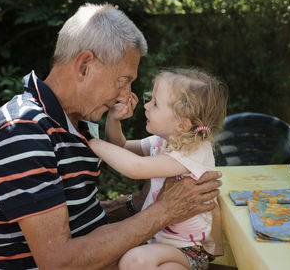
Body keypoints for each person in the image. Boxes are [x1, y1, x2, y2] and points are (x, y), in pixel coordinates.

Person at [0, 3, 222, 270]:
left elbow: (76, 216)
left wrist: (136, 203)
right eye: (123, 80)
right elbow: (59, 262)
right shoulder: (21, 132)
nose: (125, 96)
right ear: (85, 66)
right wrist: (162, 212)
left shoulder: (74, 124)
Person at [88, 68, 228, 270]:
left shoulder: (195, 153)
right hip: (157, 245)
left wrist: (93, 143)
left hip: (188, 251)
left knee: (134, 261)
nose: (145, 106)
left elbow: (135, 167)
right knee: (127, 257)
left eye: (155, 103)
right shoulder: (163, 141)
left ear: (182, 124)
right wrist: (113, 119)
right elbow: (121, 148)